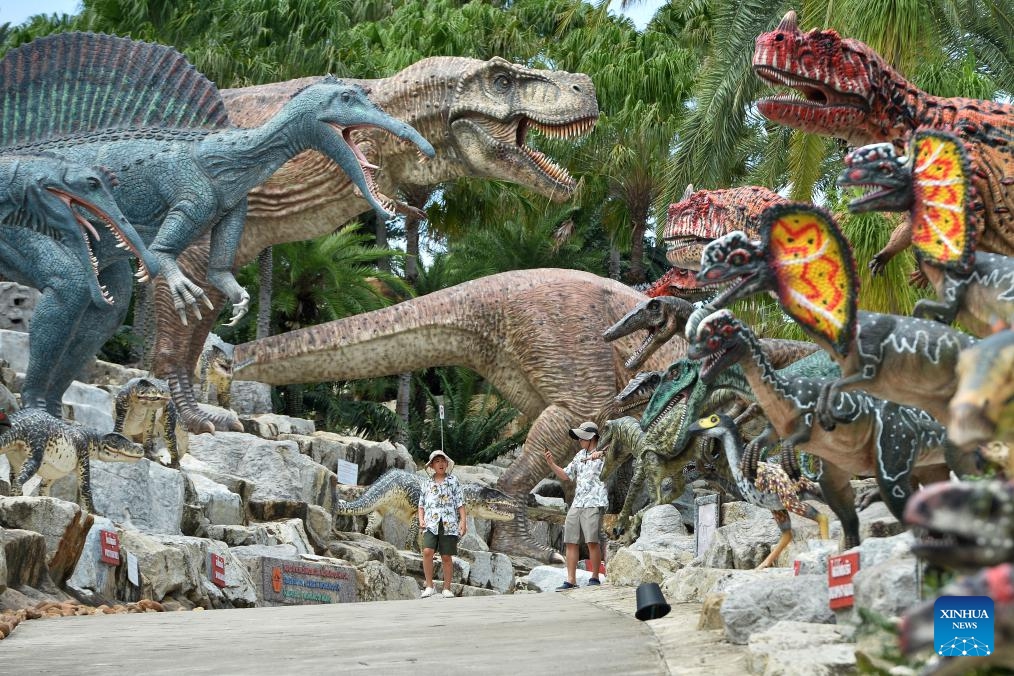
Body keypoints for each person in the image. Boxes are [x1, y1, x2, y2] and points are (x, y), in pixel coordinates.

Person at [544, 421, 607, 590]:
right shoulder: (579, 455)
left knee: (592, 541)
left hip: (595, 502)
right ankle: (571, 580)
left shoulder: (605, 453)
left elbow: (618, 451)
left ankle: (595, 577)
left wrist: (602, 453)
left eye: (582, 437)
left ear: (592, 437)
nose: (579, 440)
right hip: (577, 503)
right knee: (570, 541)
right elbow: (566, 475)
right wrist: (551, 464)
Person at [418, 449, 467, 599]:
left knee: (446, 556)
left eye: (443, 461)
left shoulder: (453, 481)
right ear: (432, 465)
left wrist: (463, 521)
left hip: (449, 523)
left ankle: (447, 588)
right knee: (427, 551)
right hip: (431, 523)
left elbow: (460, 503)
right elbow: (421, 504)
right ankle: (429, 586)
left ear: (447, 464)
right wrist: (421, 519)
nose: (440, 464)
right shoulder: (426, 483)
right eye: (437, 461)